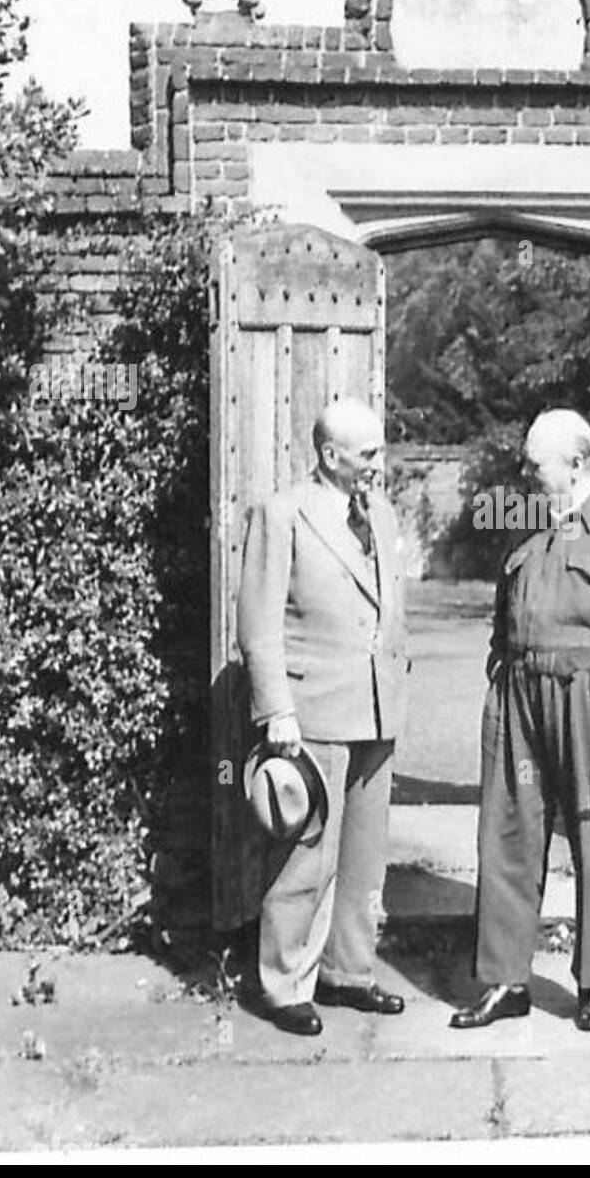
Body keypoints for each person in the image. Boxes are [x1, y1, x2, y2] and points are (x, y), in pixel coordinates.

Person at [451, 409, 590, 1033]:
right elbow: (507, 608)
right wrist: (503, 672)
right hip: (520, 697)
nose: (525, 475)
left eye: (535, 465)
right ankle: (506, 981)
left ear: (576, 463)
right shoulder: (525, 523)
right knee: (507, 833)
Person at [236, 397, 408, 1035]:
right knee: (306, 857)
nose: (377, 464)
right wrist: (277, 710)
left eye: (379, 451)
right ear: (330, 456)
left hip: (376, 706)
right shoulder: (282, 514)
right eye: (367, 454)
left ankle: (347, 972)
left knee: (365, 859)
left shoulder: (382, 514)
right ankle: (282, 984)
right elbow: (258, 627)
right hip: (311, 712)